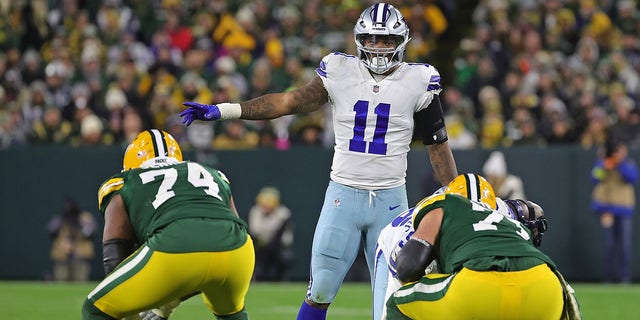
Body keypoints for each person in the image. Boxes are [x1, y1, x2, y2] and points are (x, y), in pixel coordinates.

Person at [179, 4, 458, 319]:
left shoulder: (418, 79)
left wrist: (457, 195)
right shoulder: (340, 70)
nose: (379, 48)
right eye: (372, 39)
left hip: (390, 201)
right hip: (343, 197)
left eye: (387, 40)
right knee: (320, 289)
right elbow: (288, 101)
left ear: (401, 42)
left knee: (388, 304)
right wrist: (226, 109)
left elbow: (438, 145)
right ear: (359, 39)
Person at [81, 129, 254, 320]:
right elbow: (222, 236)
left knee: (96, 308)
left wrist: (130, 312)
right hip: (239, 250)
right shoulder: (214, 175)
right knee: (231, 313)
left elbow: (115, 251)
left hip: (175, 245)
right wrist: (168, 303)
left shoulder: (124, 182)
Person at [384, 173, 581, 319]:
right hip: (546, 286)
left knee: (398, 301)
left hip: (478, 286)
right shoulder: (506, 218)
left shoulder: (443, 205)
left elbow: (408, 267)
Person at [591, 139, 638, 283]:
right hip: (608, 209)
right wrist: (603, 163)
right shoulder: (603, 163)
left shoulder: (628, 164)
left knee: (625, 245)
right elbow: (594, 177)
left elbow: (633, 178)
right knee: (609, 245)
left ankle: (625, 278)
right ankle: (608, 278)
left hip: (624, 210)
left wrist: (619, 164)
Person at [248, 186, 295, 281]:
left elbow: (280, 236)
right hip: (260, 247)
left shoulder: (284, 213)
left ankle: (282, 279)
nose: (266, 205)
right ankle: (257, 278)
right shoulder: (255, 212)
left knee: (285, 257)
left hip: (278, 247)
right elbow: (255, 231)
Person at [47, 197, 97, 282]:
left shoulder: (84, 219)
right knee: (61, 279)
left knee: (80, 280)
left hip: (81, 256)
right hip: (62, 257)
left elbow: (91, 233)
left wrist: (81, 226)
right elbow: (51, 231)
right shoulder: (61, 219)